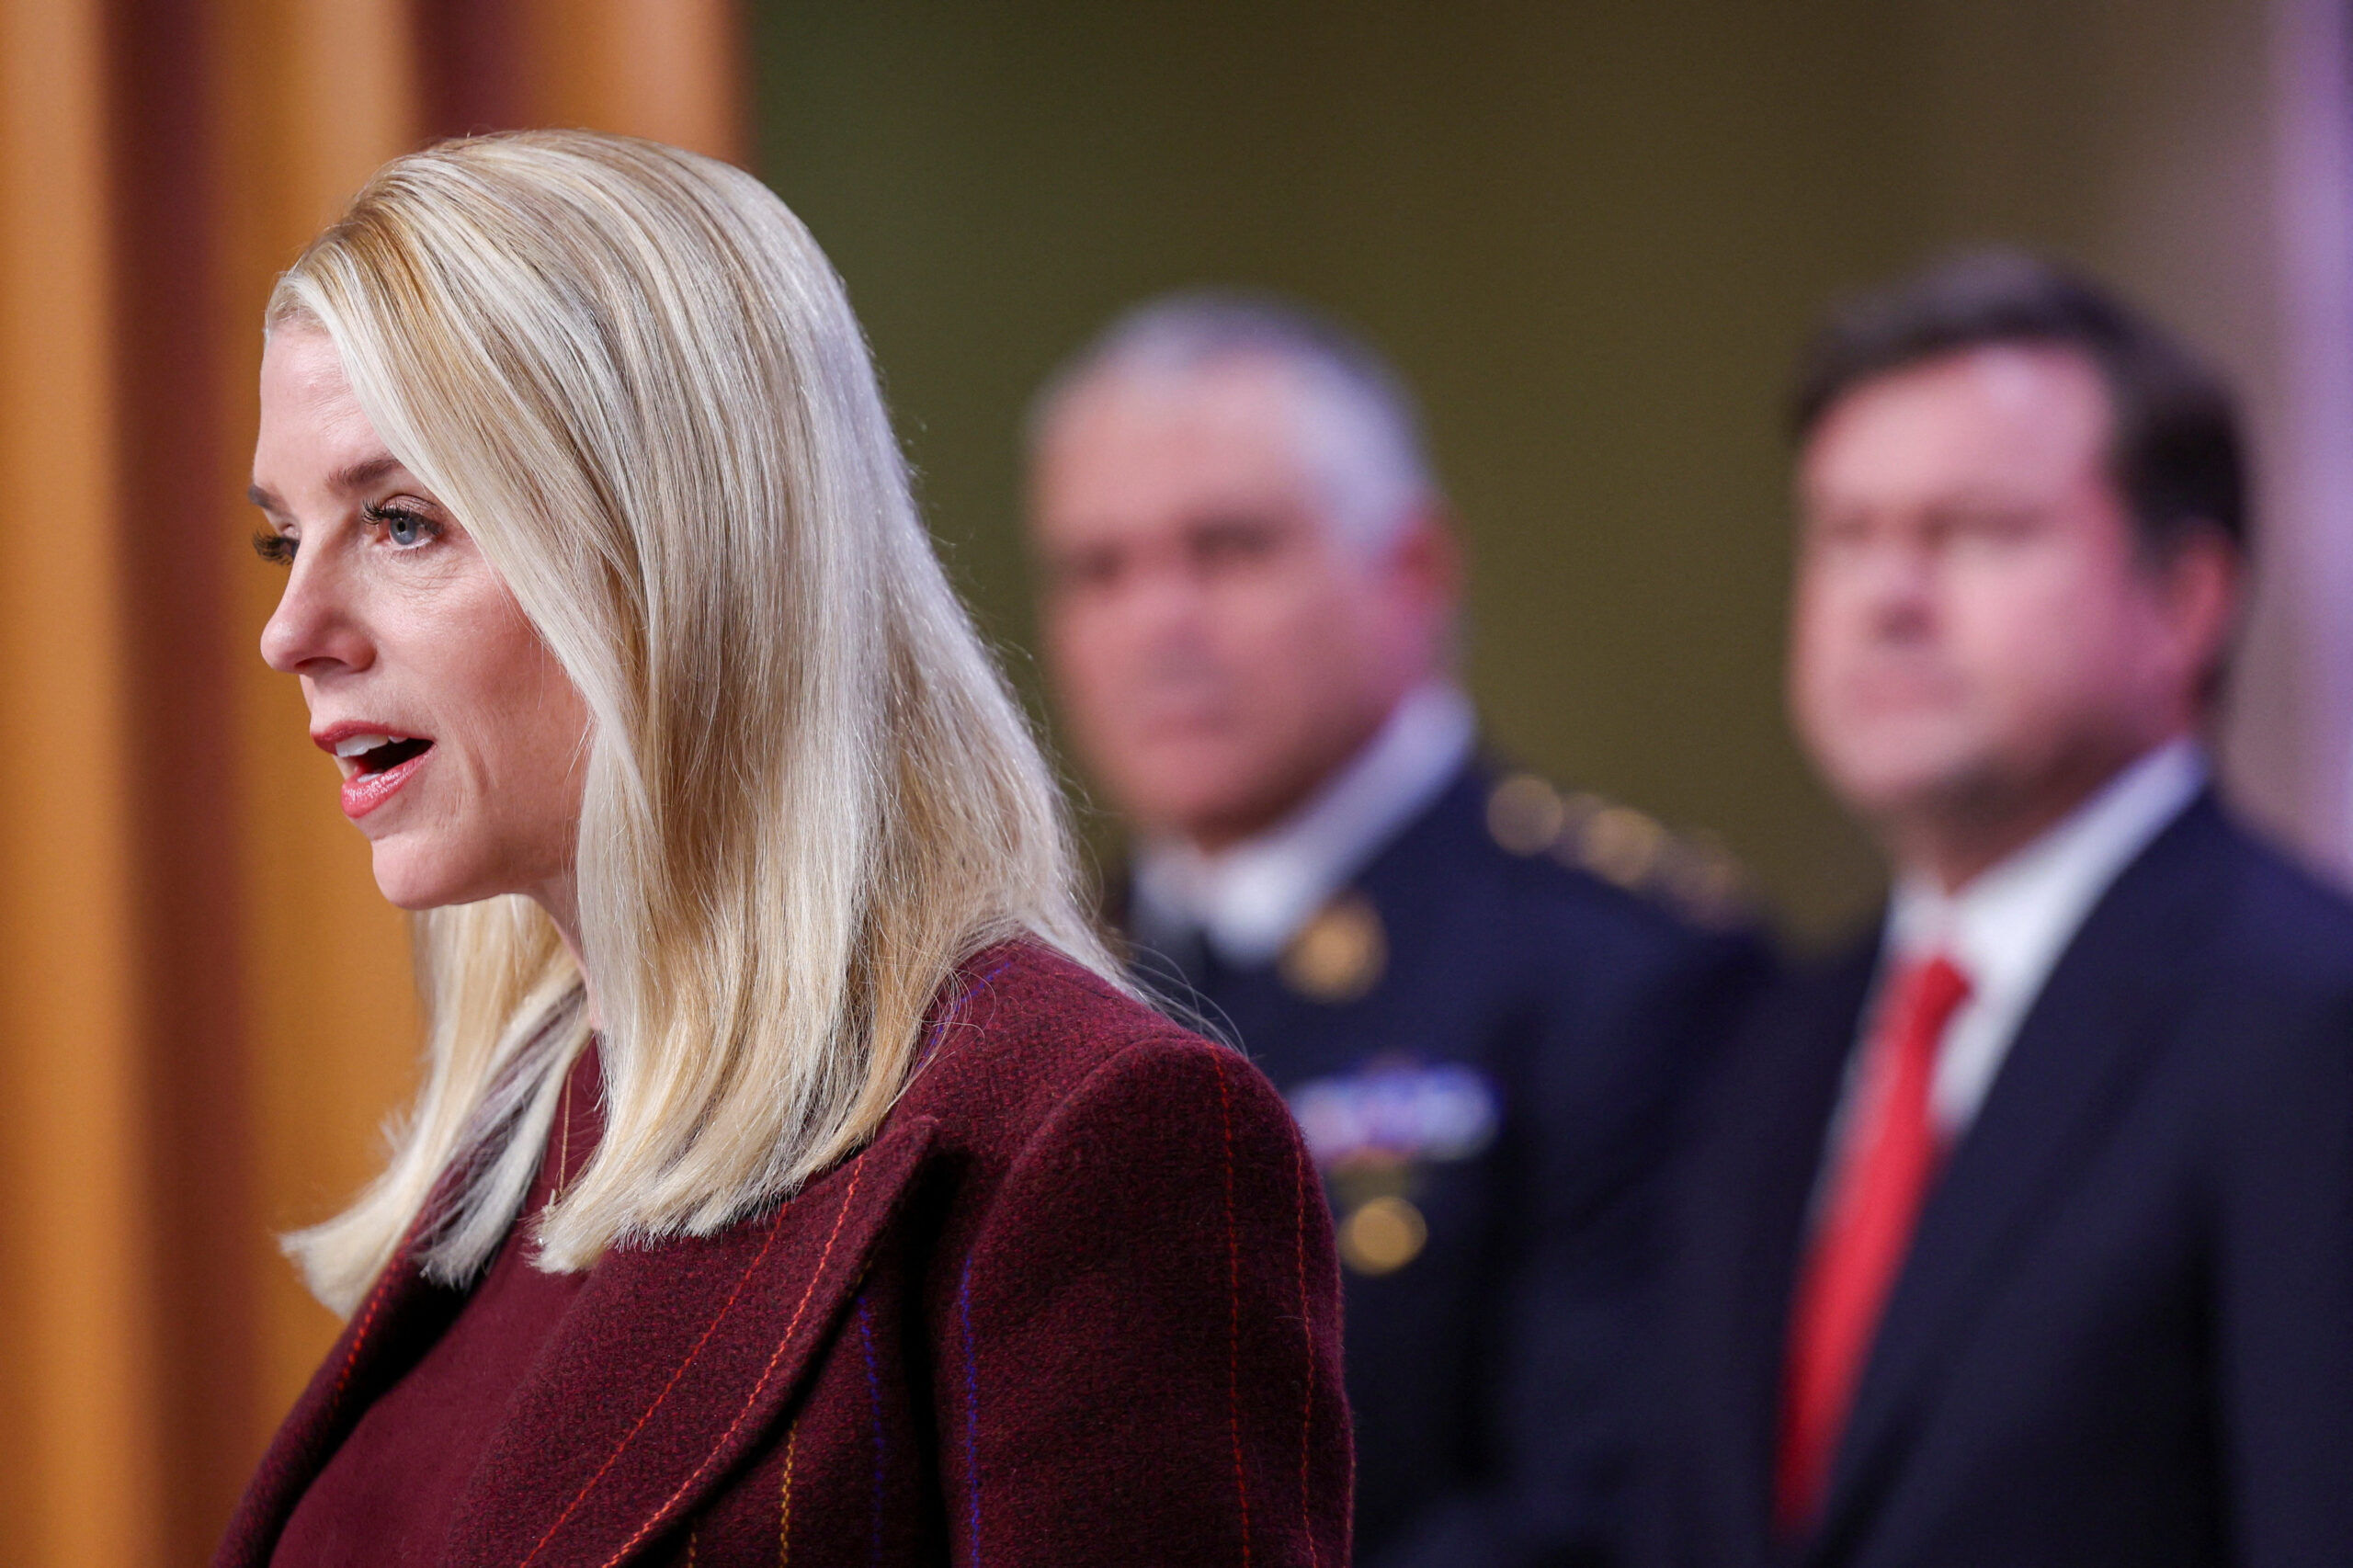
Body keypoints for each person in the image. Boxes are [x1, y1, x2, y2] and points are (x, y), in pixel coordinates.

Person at [219, 131, 1350, 1568]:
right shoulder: (529, 1127)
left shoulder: (1081, 1137)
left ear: (679, 551)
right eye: (283, 539)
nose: (293, 630)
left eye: (401, 523)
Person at [1026, 292, 1766, 1566]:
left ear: (1412, 571)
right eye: (1100, 570)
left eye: (1229, 549)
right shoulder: (1029, 983)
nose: (1158, 624)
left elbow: (1607, 1510)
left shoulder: (1626, 971)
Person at [1643, 250, 2353, 1568]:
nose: (1887, 598)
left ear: (2185, 600)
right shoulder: (1768, 1036)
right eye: (1844, 535)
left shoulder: (2307, 1017)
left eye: (1975, 531)